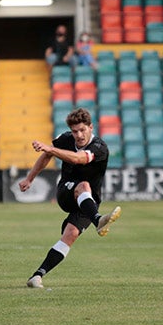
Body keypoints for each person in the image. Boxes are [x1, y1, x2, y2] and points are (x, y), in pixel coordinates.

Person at [19, 107, 122, 289]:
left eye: (82, 130)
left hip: (89, 202)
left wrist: (50, 148)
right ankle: (98, 220)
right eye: (75, 131)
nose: (79, 135)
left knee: (71, 235)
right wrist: (29, 178)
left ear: (91, 127)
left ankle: (37, 276)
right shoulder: (65, 139)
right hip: (66, 192)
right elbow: (46, 156)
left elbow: (77, 159)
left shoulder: (100, 147)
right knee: (83, 185)